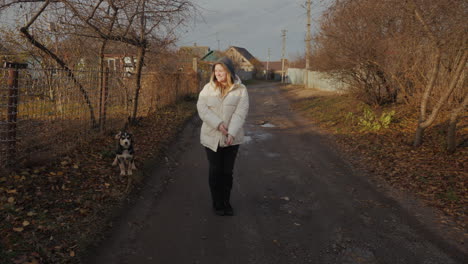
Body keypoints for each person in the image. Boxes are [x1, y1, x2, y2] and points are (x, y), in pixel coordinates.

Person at [196, 57, 249, 216]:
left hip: (232, 139)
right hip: (211, 136)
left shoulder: (241, 90)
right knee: (215, 171)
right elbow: (202, 108)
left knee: (227, 172)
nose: (218, 73)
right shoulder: (207, 88)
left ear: (229, 72)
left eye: (221, 70)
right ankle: (217, 203)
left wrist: (231, 132)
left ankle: (226, 202)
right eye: (216, 71)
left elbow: (241, 113)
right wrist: (218, 124)